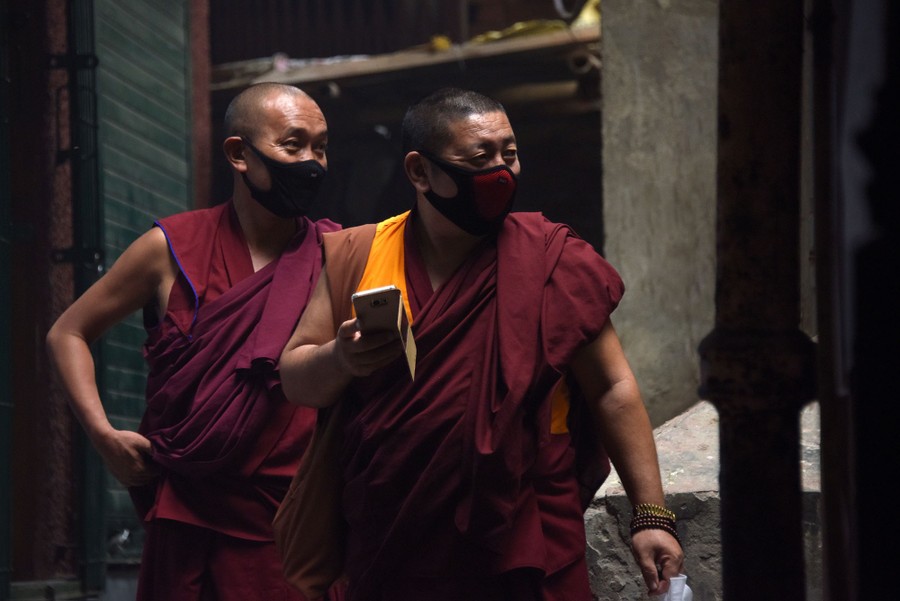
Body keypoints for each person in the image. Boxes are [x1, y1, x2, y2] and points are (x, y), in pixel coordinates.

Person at [278, 87, 684, 600]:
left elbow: (611, 387)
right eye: (479, 158)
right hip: (396, 534)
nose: (500, 172)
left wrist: (651, 514)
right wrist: (339, 358)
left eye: (508, 155)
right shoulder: (358, 253)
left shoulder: (550, 259)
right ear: (419, 171)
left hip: (524, 533)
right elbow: (296, 378)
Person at [46, 82, 345, 600]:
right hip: (188, 513)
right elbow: (67, 331)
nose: (311, 163)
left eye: (320, 148)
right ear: (239, 154)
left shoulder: (337, 254)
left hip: (294, 521)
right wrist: (102, 435)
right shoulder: (171, 248)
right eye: (293, 145)